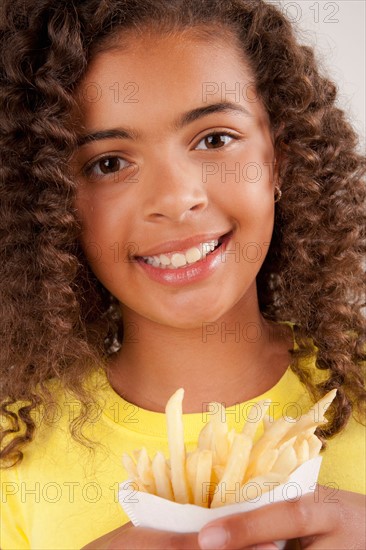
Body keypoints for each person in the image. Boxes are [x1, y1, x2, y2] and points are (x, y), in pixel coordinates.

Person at [0, 0, 365, 548]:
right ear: (47, 203)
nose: (176, 199)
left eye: (215, 139)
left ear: (280, 156)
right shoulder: (13, 460)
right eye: (109, 163)